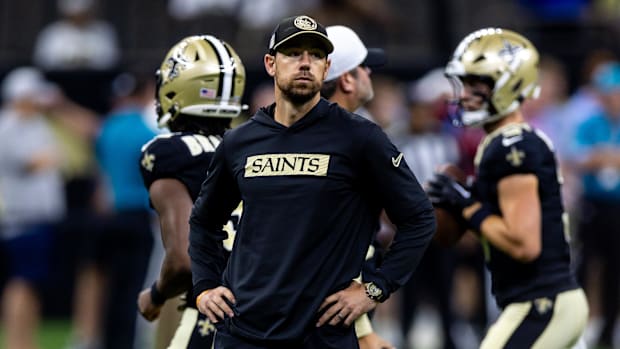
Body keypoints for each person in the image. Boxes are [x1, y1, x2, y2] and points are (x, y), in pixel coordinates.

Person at [189, 14, 436, 349]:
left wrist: (374, 289)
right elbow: (204, 222)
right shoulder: (239, 142)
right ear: (270, 63)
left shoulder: (361, 138)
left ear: (326, 66)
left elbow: (419, 218)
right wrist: (204, 286)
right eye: (293, 53)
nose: (305, 63)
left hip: (321, 336)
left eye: (316, 55)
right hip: (242, 333)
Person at [427, 28, 589, 348]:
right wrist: (451, 203)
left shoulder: (512, 145)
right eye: (465, 84)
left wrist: (468, 206)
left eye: (477, 85)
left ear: (509, 83)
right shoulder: (499, 143)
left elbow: (524, 245)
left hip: (542, 302)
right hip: (540, 301)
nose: (463, 95)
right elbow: (450, 237)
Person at [137, 34, 247, 348]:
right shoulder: (257, 146)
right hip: (277, 311)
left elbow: (184, 259)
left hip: (213, 307)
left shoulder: (167, 153)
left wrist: (155, 296)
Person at [320, 24, 394, 349]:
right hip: (340, 297)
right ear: (347, 79)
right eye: (364, 67)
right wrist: (364, 326)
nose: (369, 73)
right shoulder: (359, 140)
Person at [0, 67, 66, 349]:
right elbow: (35, 161)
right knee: (21, 282)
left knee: (32, 284)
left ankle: (28, 341)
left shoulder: (36, 124)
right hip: (21, 218)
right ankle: (16, 342)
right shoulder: (9, 127)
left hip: (40, 218)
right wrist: (52, 157)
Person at [570, 61, 620, 349]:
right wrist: (601, 157)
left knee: (615, 270)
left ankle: (607, 330)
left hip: (617, 207)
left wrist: (603, 156)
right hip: (593, 205)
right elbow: (578, 157)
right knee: (585, 266)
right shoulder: (590, 122)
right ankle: (580, 326)